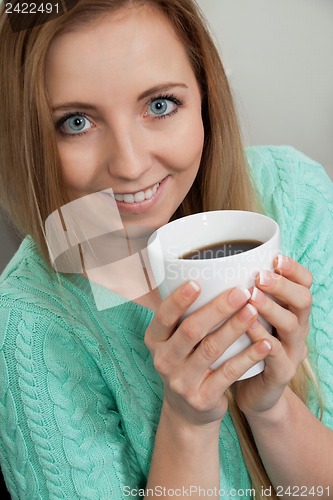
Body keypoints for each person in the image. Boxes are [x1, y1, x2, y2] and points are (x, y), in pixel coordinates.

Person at [0, 1, 332, 498]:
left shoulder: (293, 195)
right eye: (75, 122)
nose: (130, 165)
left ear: (204, 93)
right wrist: (187, 424)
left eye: (159, 105)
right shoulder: (26, 323)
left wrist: (272, 408)